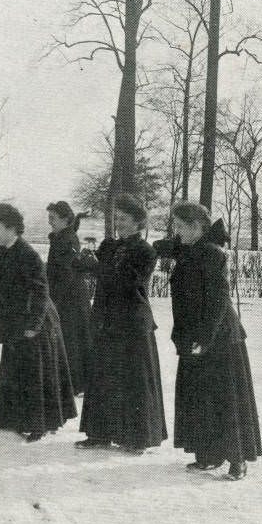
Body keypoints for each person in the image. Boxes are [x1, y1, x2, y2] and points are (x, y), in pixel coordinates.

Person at [154, 203, 261, 480]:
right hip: (195, 334)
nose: (176, 232)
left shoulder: (212, 254)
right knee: (201, 397)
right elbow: (169, 247)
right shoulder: (190, 250)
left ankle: (237, 459)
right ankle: (210, 454)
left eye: (180, 226)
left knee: (225, 398)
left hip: (219, 337)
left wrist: (205, 337)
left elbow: (218, 300)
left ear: (196, 227)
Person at [0, 205, 77, 442]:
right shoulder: (7, 248)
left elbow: (41, 291)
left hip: (35, 321)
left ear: (12, 229)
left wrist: (34, 324)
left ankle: (39, 424)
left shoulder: (27, 254)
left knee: (34, 372)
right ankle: (9, 418)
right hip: (15, 320)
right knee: (13, 369)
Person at [74, 193, 166, 454]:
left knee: (134, 379)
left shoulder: (145, 251)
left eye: (124, 219)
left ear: (138, 222)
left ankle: (137, 438)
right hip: (106, 319)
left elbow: (129, 282)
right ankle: (99, 433)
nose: (118, 223)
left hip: (133, 321)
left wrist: (97, 267)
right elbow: (99, 276)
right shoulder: (108, 246)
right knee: (103, 375)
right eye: (116, 218)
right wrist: (81, 263)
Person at [45, 201, 95, 395]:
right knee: (70, 339)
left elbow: (66, 272)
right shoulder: (63, 235)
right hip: (69, 296)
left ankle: (76, 384)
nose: (49, 222)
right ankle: (74, 383)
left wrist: (54, 300)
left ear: (65, 219)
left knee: (72, 339)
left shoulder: (66, 239)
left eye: (52, 218)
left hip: (71, 298)